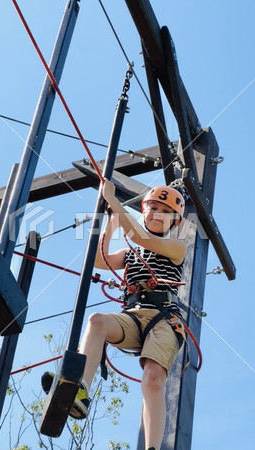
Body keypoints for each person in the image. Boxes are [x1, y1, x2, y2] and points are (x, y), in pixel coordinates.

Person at [42, 179, 187, 450]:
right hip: (133, 315)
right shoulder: (130, 254)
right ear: (143, 211)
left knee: (153, 379)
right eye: (152, 207)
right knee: (97, 321)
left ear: (175, 221)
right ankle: (81, 389)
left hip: (163, 318)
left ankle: (153, 447)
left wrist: (115, 203)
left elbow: (140, 237)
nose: (156, 213)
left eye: (164, 211)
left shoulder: (177, 248)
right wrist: (111, 221)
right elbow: (99, 259)